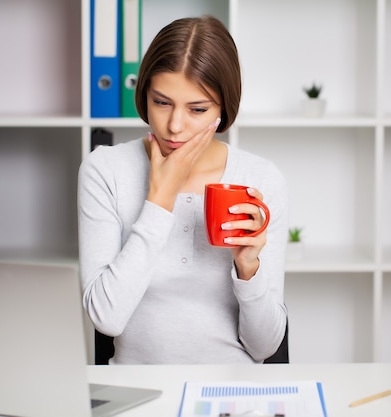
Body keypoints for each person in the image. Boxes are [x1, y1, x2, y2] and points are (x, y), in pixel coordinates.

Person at [78, 15, 288, 364]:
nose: (175, 126)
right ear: (144, 94)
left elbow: (264, 348)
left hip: (233, 394)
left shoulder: (262, 178)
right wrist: (160, 199)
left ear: (224, 109)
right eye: (161, 102)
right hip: (140, 392)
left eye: (197, 109)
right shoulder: (105, 170)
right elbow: (106, 318)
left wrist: (249, 269)